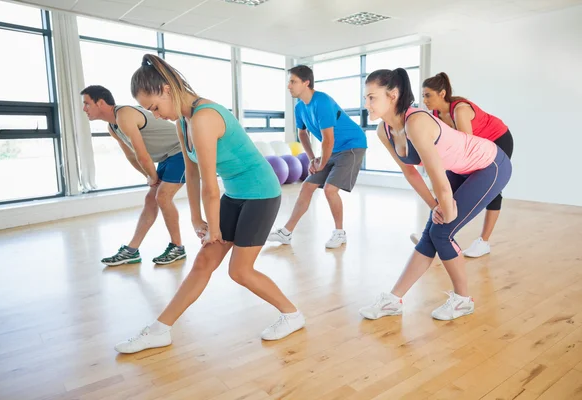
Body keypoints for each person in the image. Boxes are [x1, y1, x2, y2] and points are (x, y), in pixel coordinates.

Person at [113, 55, 305, 354]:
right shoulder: (184, 122)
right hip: (236, 193)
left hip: (261, 193)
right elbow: (191, 173)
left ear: (166, 89)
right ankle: (159, 330)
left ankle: (292, 315)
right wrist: (196, 219)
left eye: (155, 108)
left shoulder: (204, 118)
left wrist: (213, 227)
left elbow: (209, 185)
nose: (157, 115)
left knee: (239, 271)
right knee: (204, 261)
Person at [358, 68, 511, 321]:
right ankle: (394, 300)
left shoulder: (416, 122)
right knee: (432, 232)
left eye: (371, 97)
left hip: (490, 164)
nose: (366, 105)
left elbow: (436, 173)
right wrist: (434, 206)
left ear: (393, 95)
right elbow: (411, 173)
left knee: (442, 232)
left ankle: (462, 301)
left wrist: (445, 207)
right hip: (461, 170)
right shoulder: (384, 130)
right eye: (365, 98)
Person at [409, 72, 514, 257]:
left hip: (497, 139)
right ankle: (431, 235)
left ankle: (484, 242)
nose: (424, 100)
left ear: (442, 94)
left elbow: (467, 146)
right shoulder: (434, 114)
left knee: (492, 190)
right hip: (474, 148)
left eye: (428, 95)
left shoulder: (460, 109)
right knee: (449, 185)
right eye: (423, 95)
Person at [81, 85, 187, 266]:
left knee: (162, 196)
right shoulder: (113, 127)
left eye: (87, 104)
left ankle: (177, 247)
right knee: (151, 199)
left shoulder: (125, 115)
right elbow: (131, 156)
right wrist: (150, 177)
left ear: (100, 103)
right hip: (168, 156)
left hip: (183, 150)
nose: (84, 109)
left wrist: (153, 178)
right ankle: (132, 250)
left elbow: (142, 154)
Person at [267, 65, 368, 249]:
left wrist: (321, 163)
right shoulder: (299, 108)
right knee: (307, 186)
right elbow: (303, 134)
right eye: (289, 82)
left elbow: (328, 139)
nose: (289, 86)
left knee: (330, 189)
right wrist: (313, 159)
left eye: (293, 82)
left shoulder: (321, 102)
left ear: (306, 83)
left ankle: (340, 233)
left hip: (352, 145)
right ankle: (286, 233)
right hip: (334, 148)